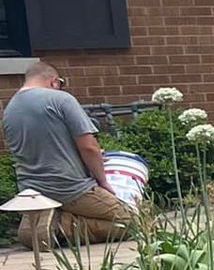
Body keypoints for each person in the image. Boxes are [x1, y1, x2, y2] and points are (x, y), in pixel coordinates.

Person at [1, 61, 134, 248]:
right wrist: (103, 181)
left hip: (32, 191)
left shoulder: (10, 110)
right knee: (134, 222)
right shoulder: (61, 99)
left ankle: (39, 223)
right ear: (54, 81)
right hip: (70, 188)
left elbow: (43, 148)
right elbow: (89, 147)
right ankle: (59, 227)